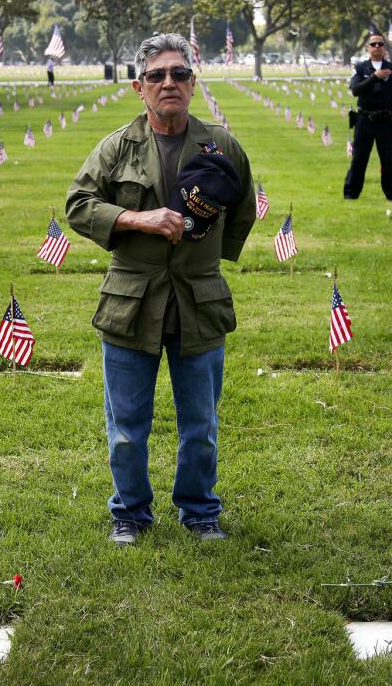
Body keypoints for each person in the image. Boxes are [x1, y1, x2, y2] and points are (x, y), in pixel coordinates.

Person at [66, 33, 256, 546]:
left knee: (201, 423)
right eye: (157, 76)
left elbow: (245, 206)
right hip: (132, 301)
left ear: (193, 85)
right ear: (139, 87)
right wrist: (136, 218)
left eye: (178, 74)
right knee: (127, 426)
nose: (168, 83)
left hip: (199, 299)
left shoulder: (221, 145)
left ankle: (199, 512)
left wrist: (208, 257)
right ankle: (129, 513)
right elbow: (78, 205)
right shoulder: (115, 148)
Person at [345, 33, 392, 200]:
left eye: (380, 44)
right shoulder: (360, 68)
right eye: (373, 44)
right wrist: (375, 77)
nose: (377, 47)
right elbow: (355, 90)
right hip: (365, 119)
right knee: (359, 159)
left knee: (388, 160)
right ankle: (351, 195)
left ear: (385, 47)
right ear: (368, 48)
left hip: (385, 120)